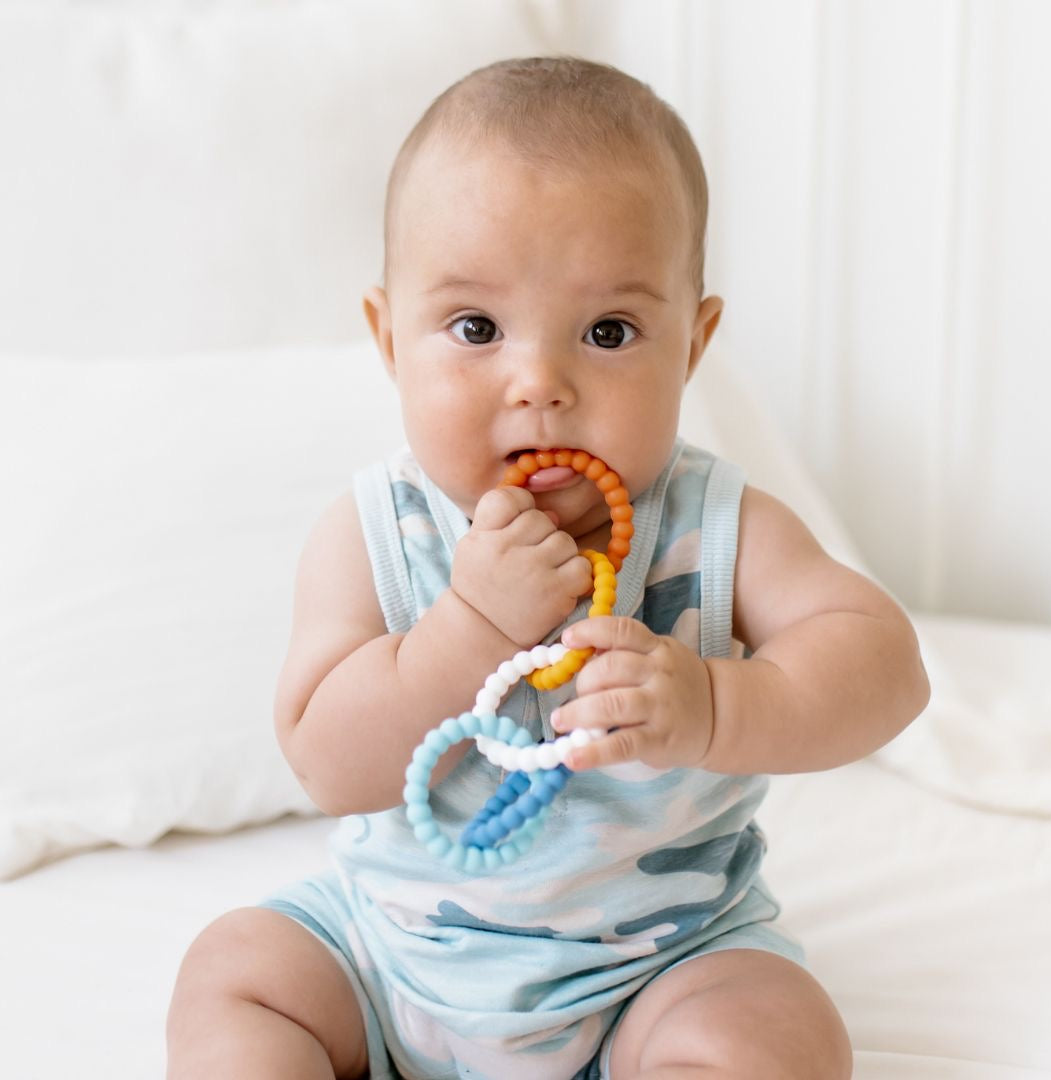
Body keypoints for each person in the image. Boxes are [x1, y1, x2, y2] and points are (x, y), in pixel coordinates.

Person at [167, 57, 929, 1080]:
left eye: (608, 332)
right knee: (236, 973)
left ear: (692, 344)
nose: (541, 385)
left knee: (775, 1034)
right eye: (475, 328)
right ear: (390, 338)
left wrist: (712, 702)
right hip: (389, 962)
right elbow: (322, 757)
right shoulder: (376, 534)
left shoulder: (716, 526)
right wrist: (468, 627)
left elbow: (888, 667)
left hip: (656, 973)